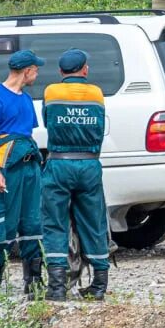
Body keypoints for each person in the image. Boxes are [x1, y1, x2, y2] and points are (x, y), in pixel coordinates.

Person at [40, 49, 110, 301]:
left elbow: (48, 122)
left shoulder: (51, 92)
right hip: (89, 165)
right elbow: (100, 127)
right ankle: (99, 285)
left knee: (54, 223)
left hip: (59, 164)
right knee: (94, 223)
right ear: (85, 69)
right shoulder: (96, 94)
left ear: (61, 72)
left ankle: (56, 288)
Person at [0, 50, 45, 297]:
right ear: (26, 70)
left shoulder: (26, 99)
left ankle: (34, 281)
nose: (38, 73)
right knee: (3, 225)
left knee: (32, 222)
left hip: (28, 168)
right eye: (36, 69)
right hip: (7, 169)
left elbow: (26, 135)